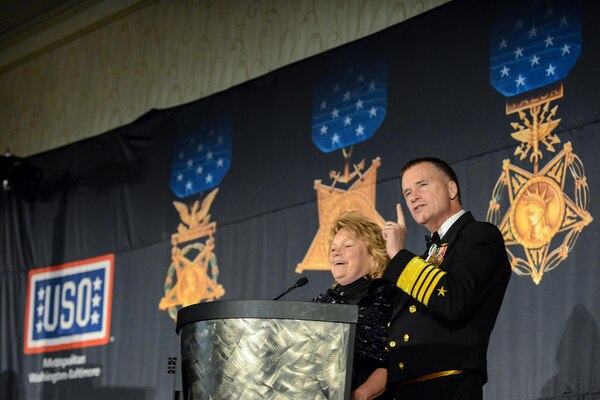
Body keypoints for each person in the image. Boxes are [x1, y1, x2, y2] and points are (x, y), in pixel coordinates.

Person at [381, 157, 511, 400]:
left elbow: (454, 300)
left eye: (422, 185)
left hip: (447, 386)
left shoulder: (479, 235)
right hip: (405, 390)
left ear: (451, 189)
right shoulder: (424, 257)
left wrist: (399, 256)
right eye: (407, 192)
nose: (413, 196)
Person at [313, 211, 397, 400]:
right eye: (333, 248)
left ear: (374, 256)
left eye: (347, 245)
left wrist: (359, 395)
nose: (335, 252)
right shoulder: (318, 306)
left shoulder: (391, 299)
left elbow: (395, 361)